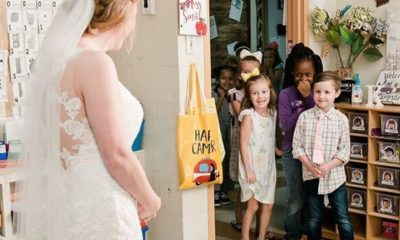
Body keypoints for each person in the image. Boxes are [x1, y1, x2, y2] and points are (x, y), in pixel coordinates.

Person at [17, 1, 161, 239]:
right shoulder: (94, 63)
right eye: (134, 17)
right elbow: (115, 155)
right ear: (119, 14)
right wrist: (150, 198)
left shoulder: (55, 65)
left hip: (72, 199)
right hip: (104, 201)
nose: (132, 27)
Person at [292, 71, 354, 240]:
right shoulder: (304, 117)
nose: (322, 96)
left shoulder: (341, 120)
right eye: (318, 91)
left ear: (337, 93)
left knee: (343, 218)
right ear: (312, 92)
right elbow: (297, 147)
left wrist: (328, 166)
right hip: (311, 175)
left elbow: (344, 151)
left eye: (327, 92)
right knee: (314, 218)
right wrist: (310, 166)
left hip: (335, 176)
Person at [278, 42, 323, 240]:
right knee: (295, 196)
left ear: (315, 73)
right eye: (298, 75)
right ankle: (292, 233)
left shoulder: (318, 93)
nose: (304, 79)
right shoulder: (285, 95)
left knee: (312, 195)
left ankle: (307, 231)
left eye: (308, 75)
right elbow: (287, 125)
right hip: (291, 151)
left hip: (314, 151)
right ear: (291, 74)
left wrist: (308, 98)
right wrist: (305, 105)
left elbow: (322, 116)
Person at [238, 74, 277, 240]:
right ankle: (245, 238)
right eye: (255, 93)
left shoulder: (272, 113)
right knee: (253, 206)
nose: (260, 96)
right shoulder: (248, 116)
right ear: (249, 96)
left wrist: (277, 150)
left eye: (263, 91)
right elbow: (244, 144)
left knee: (268, 205)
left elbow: (267, 138)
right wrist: (248, 170)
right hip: (251, 168)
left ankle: (261, 237)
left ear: (270, 92)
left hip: (268, 168)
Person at [228, 50, 262, 232]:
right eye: (245, 71)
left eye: (253, 71)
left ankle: (258, 224)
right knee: (243, 182)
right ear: (239, 75)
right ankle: (239, 218)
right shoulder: (235, 94)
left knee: (257, 182)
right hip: (241, 143)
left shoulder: (263, 92)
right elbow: (241, 114)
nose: (248, 74)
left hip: (259, 145)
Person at [212, 65, 235, 206]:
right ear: (218, 79)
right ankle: (216, 190)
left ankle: (225, 190)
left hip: (230, 133)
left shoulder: (234, 94)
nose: (227, 82)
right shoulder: (214, 93)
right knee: (217, 160)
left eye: (230, 79)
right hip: (218, 132)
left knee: (227, 161)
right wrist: (221, 97)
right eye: (223, 78)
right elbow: (214, 111)